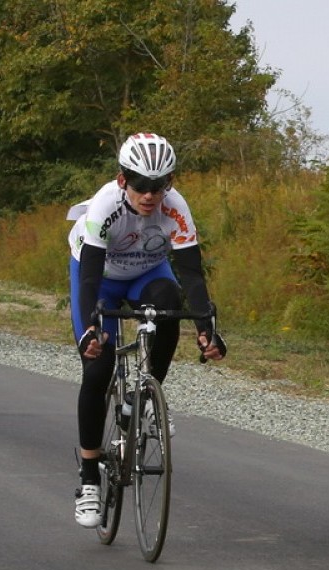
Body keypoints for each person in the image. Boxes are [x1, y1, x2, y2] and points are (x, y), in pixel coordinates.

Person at [68, 132, 226, 528]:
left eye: (160, 185)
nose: (150, 194)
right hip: (99, 277)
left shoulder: (176, 208)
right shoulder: (105, 208)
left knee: (170, 305)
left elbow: (191, 275)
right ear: (123, 180)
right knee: (99, 367)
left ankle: (146, 397)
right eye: (141, 184)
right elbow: (88, 280)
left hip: (146, 274)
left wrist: (207, 328)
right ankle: (89, 478)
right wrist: (91, 328)